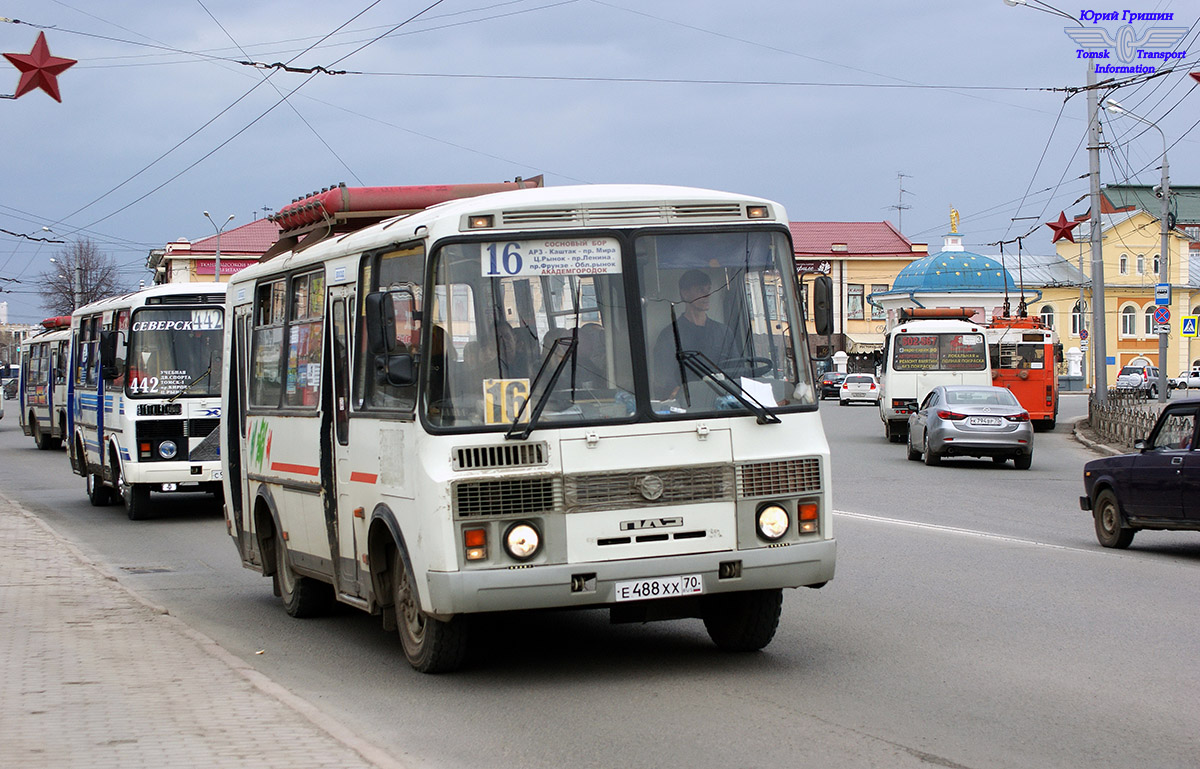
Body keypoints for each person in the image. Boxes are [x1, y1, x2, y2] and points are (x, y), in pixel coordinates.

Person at [653, 269, 739, 399]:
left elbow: (737, 371)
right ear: (685, 293)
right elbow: (665, 378)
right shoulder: (670, 335)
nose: (707, 295)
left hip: (725, 403)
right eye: (700, 290)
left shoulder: (724, 332)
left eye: (708, 289)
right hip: (689, 407)